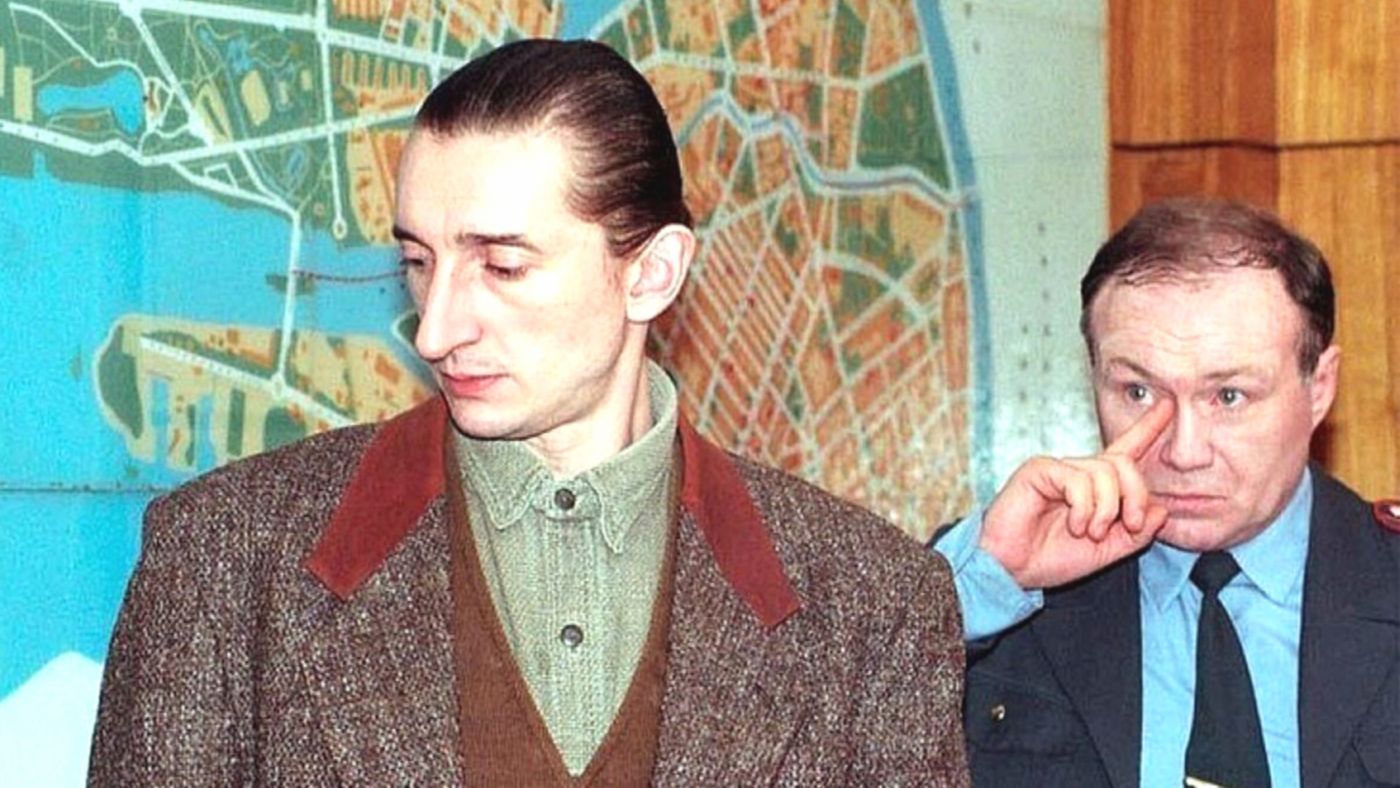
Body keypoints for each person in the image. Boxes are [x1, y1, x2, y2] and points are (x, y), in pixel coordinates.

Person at [87, 39, 971, 786]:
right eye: (420, 263)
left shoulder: (875, 609)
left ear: (651, 273)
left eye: (502, 266)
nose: (435, 330)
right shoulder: (223, 563)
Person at [935, 198, 1400, 787]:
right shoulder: (1005, 586)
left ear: (1319, 388)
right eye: (1139, 392)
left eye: (1228, 396)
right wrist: (983, 582)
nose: (1183, 452)